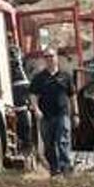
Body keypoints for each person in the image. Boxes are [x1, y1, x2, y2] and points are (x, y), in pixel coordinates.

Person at [29, 48, 80, 176]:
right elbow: (33, 95)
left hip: (62, 114)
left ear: (56, 58)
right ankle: (54, 170)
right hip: (45, 116)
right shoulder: (39, 78)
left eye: (51, 56)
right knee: (49, 144)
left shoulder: (65, 76)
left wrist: (76, 114)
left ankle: (66, 168)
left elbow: (73, 96)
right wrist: (36, 109)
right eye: (46, 57)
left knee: (62, 141)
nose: (49, 59)